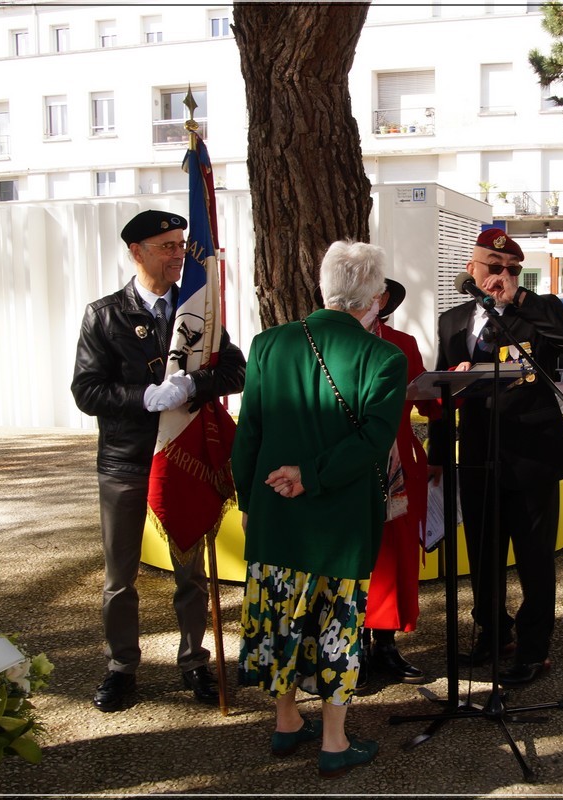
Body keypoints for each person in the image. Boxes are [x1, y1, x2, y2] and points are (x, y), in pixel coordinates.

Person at [233, 240, 406, 778]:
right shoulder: (384, 357)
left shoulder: (267, 344)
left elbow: (249, 434)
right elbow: (374, 440)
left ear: (324, 287)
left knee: (278, 617)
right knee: (337, 624)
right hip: (342, 516)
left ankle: (286, 723)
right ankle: (334, 739)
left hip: (273, 506)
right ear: (375, 297)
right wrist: (313, 475)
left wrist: (248, 498)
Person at [71, 209, 247, 713]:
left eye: (180, 244)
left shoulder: (197, 310)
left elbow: (234, 370)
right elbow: (87, 390)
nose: (179, 254)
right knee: (119, 577)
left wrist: (195, 384)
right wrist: (144, 397)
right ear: (137, 251)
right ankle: (121, 666)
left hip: (185, 460)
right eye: (167, 246)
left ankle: (194, 660)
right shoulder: (104, 314)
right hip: (127, 461)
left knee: (189, 571)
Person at [429, 228, 563, 688]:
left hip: (533, 455)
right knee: (484, 553)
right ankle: (494, 633)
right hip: (477, 454)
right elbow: (441, 393)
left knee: (535, 558)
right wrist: (439, 456)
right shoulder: (452, 320)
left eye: (511, 270)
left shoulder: (538, 311)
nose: (501, 277)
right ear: (470, 270)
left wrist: (520, 300)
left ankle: (535, 649)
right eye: (493, 268)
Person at [363, 278, 438, 684]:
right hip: (351, 466)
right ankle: (351, 647)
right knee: (359, 557)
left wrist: (449, 383)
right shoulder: (327, 341)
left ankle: (386, 647)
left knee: (396, 558)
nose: (374, 299)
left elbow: (427, 400)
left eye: (379, 293)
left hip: (398, 466)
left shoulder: (402, 342)